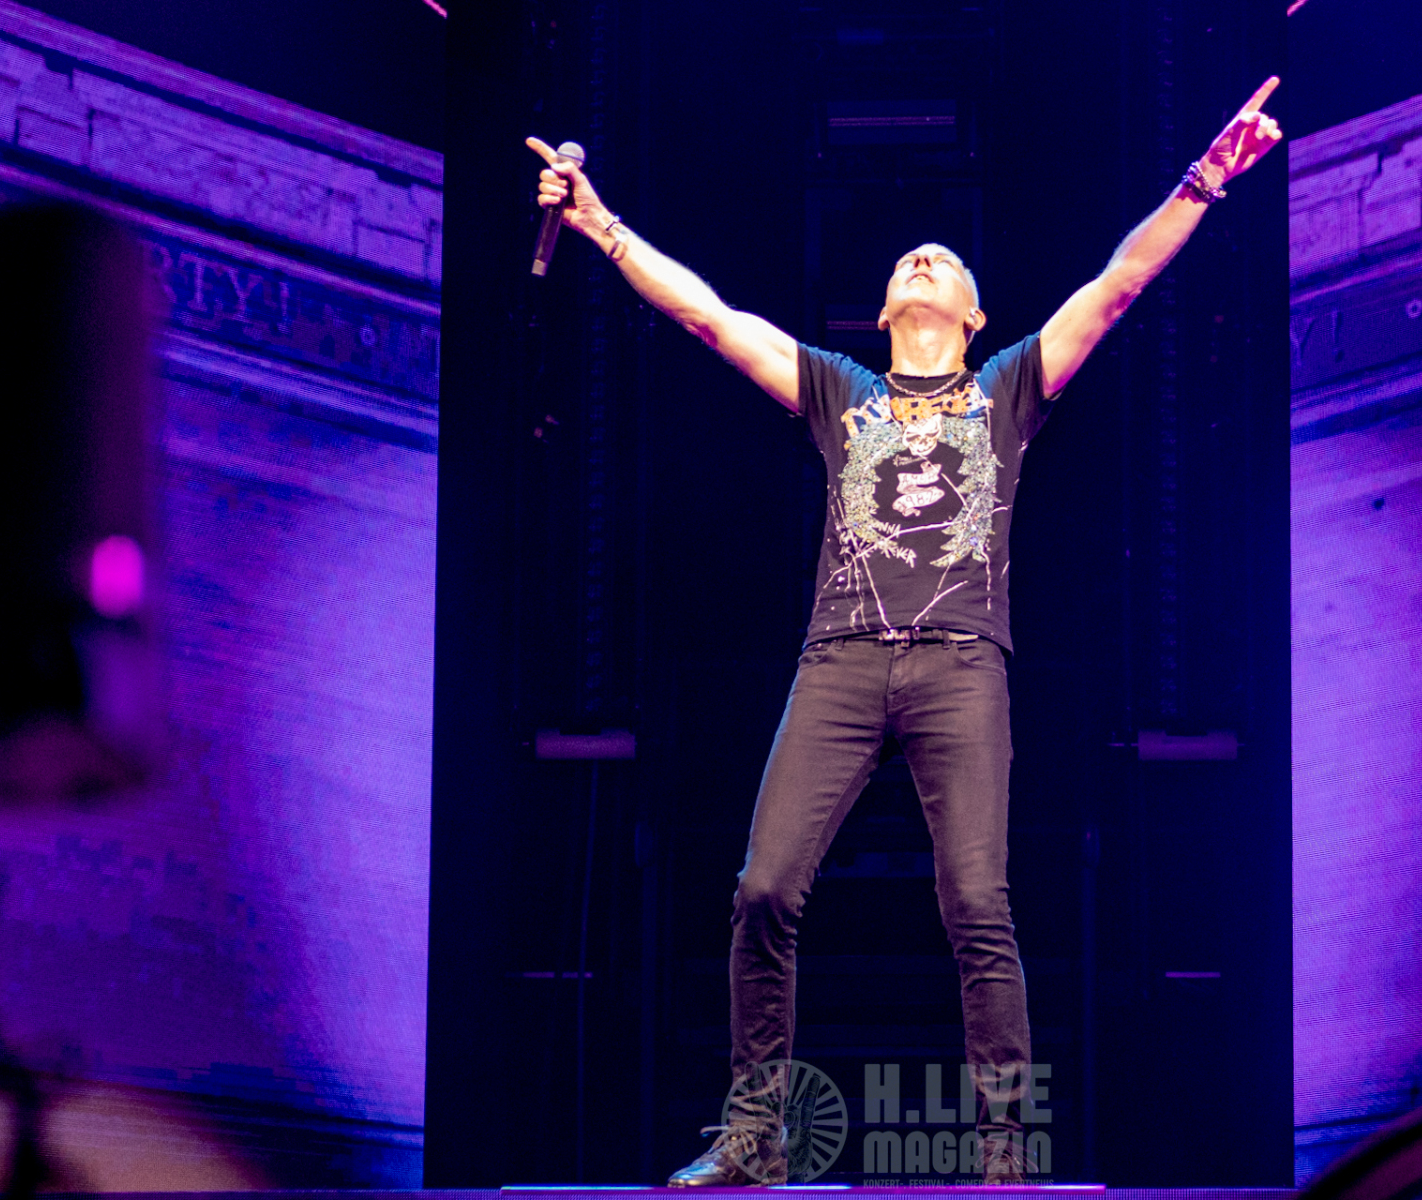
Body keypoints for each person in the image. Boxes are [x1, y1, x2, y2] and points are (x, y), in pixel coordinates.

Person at [529, 76, 1281, 1187]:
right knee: (763, 890)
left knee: (977, 902)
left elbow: (1118, 286)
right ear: (882, 313)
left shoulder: (1008, 389)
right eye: (906, 261)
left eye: (944, 259)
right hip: (838, 660)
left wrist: (1205, 177)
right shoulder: (839, 392)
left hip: (961, 665)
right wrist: (600, 225)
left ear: (974, 315)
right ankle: (755, 1138)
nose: (923, 256)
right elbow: (708, 317)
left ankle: (1004, 1151)